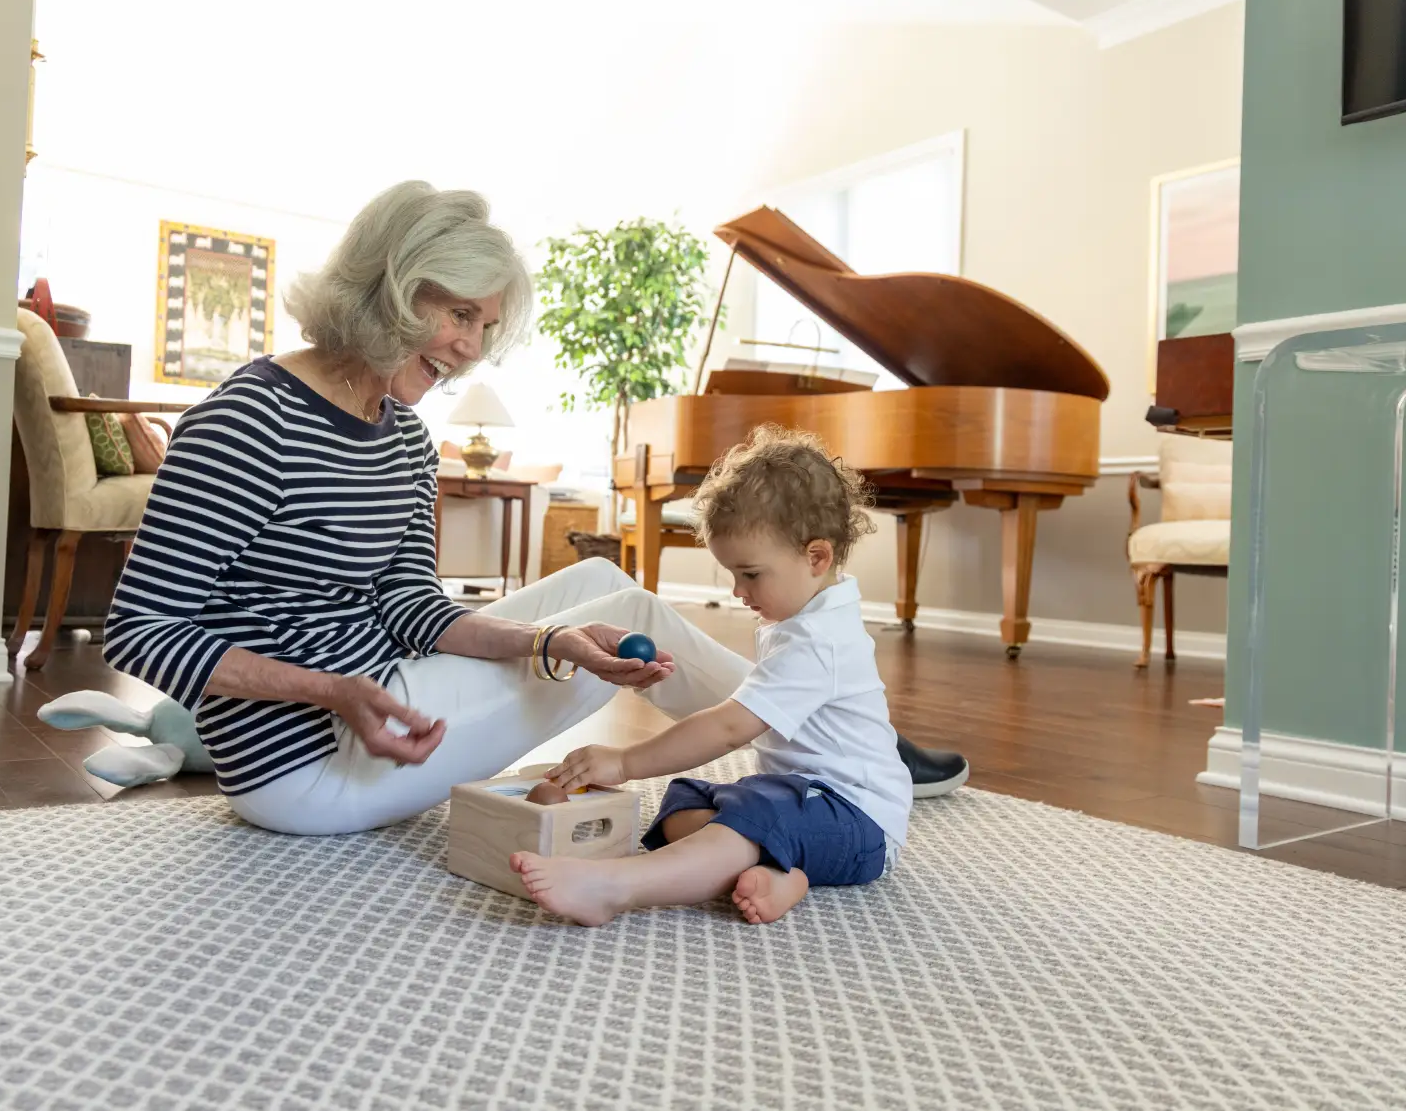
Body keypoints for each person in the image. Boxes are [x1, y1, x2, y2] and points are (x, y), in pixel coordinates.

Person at [98, 180, 965, 837]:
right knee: (623, 606)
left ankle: (809, 716)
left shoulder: (399, 434)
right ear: (389, 287)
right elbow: (139, 631)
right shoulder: (250, 420)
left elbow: (409, 606)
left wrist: (545, 642)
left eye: (485, 325)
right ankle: (839, 730)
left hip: (386, 699)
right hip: (309, 763)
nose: (470, 348)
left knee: (598, 584)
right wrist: (336, 693)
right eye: (457, 313)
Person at [515, 427, 909, 927]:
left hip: (859, 821)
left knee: (755, 813)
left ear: (817, 557)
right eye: (733, 575)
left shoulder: (820, 640)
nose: (738, 591)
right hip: (800, 796)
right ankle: (783, 868)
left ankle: (616, 888)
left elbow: (728, 729)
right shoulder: (800, 615)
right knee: (684, 803)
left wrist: (626, 761)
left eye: (751, 574)